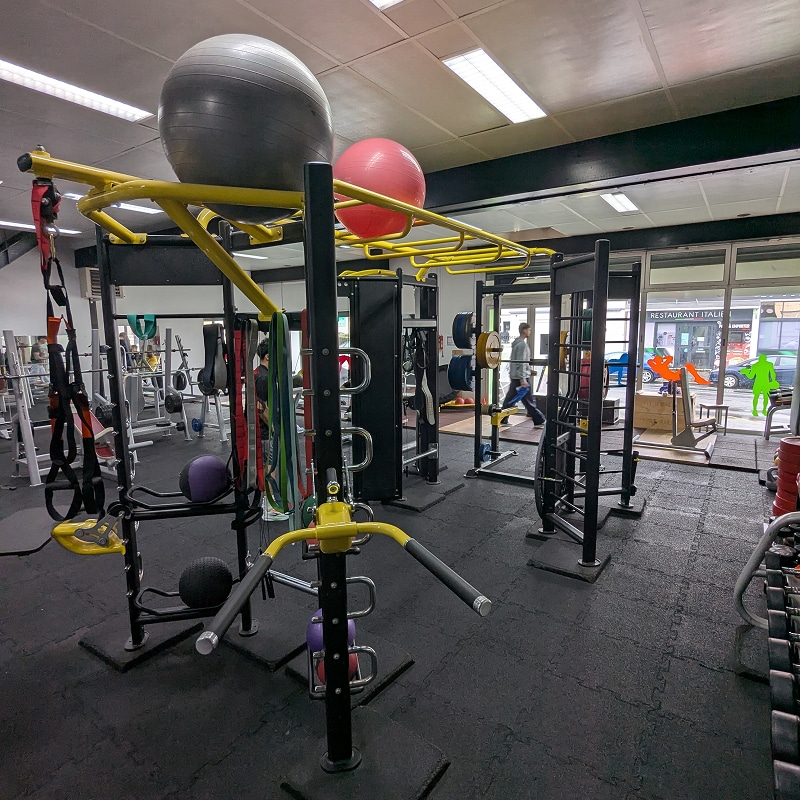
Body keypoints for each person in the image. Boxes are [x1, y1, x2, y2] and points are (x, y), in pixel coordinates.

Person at [255, 338, 288, 521]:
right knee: (271, 467)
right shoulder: (263, 377)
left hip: (267, 431)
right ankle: (269, 507)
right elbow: (260, 407)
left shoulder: (264, 373)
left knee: (271, 466)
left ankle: (270, 502)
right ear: (268, 356)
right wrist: (275, 429)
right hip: (266, 432)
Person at [501, 323, 545, 425]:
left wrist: (529, 371)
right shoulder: (522, 345)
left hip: (517, 376)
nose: (530, 332)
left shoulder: (517, 344)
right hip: (520, 378)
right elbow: (520, 362)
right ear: (524, 331)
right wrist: (523, 379)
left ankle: (503, 417)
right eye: (529, 330)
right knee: (526, 400)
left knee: (517, 399)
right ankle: (539, 419)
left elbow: (520, 361)